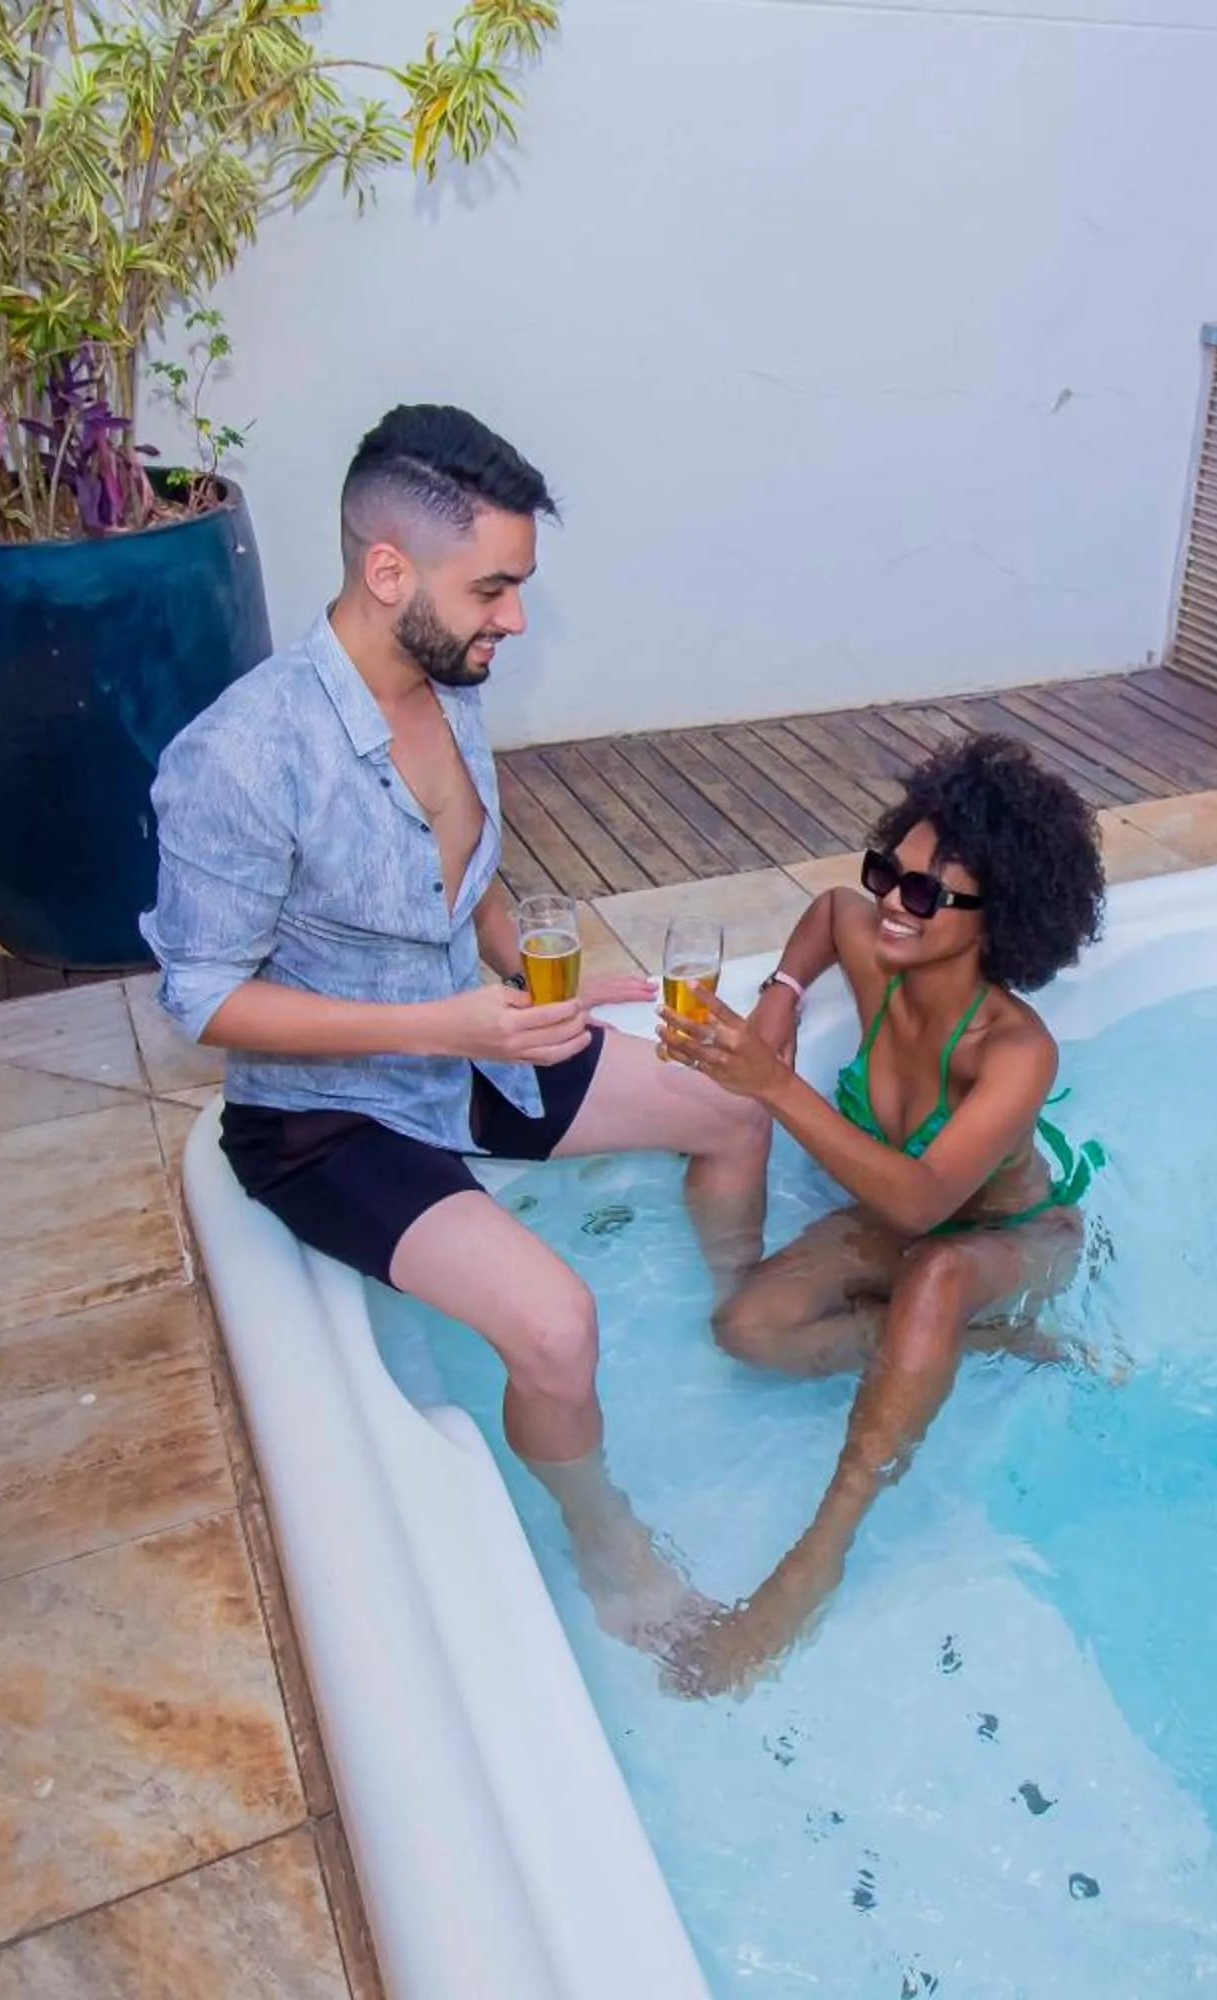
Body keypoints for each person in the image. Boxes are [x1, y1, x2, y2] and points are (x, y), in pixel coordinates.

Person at [143, 405, 766, 1648]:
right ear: (389, 572)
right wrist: (445, 1026)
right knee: (557, 1322)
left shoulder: (449, 676)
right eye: (494, 587)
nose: (515, 619)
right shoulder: (241, 758)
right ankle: (606, 1541)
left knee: (735, 1101)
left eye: (519, 587)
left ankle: (739, 1316)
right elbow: (202, 997)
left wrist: (537, 985)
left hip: (474, 1037)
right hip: (327, 1116)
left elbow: (462, 869)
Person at [656, 735, 1109, 1696]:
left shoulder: (1014, 1051)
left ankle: (816, 1558)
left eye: (926, 894)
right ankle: (980, 1343)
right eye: (887, 873)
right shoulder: (875, 948)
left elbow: (922, 1199)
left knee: (939, 1275)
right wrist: (781, 993)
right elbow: (825, 913)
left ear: (1004, 917)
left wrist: (771, 1083)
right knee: (746, 1328)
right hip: (906, 1223)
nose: (891, 905)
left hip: (1010, 1238)